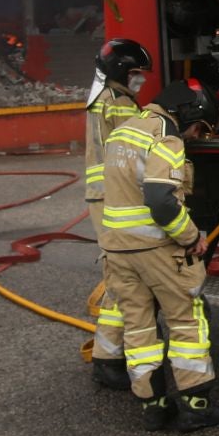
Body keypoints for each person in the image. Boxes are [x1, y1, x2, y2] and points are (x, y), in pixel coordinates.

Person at [98, 78, 219, 432]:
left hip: (117, 249)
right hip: (157, 250)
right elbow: (160, 200)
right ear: (188, 114)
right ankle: (196, 407)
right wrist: (190, 239)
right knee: (187, 321)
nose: (193, 136)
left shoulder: (123, 132)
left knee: (138, 327)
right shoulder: (165, 138)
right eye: (197, 128)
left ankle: (153, 407)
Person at [84, 38, 151, 391]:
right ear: (123, 70)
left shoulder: (101, 99)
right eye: (137, 73)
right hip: (116, 199)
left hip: (105, 197)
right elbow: (139, 150)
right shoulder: (121, 104)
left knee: (121, 276)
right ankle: (108, 360)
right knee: (125, 278)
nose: (141, 79)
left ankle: (109, 356)